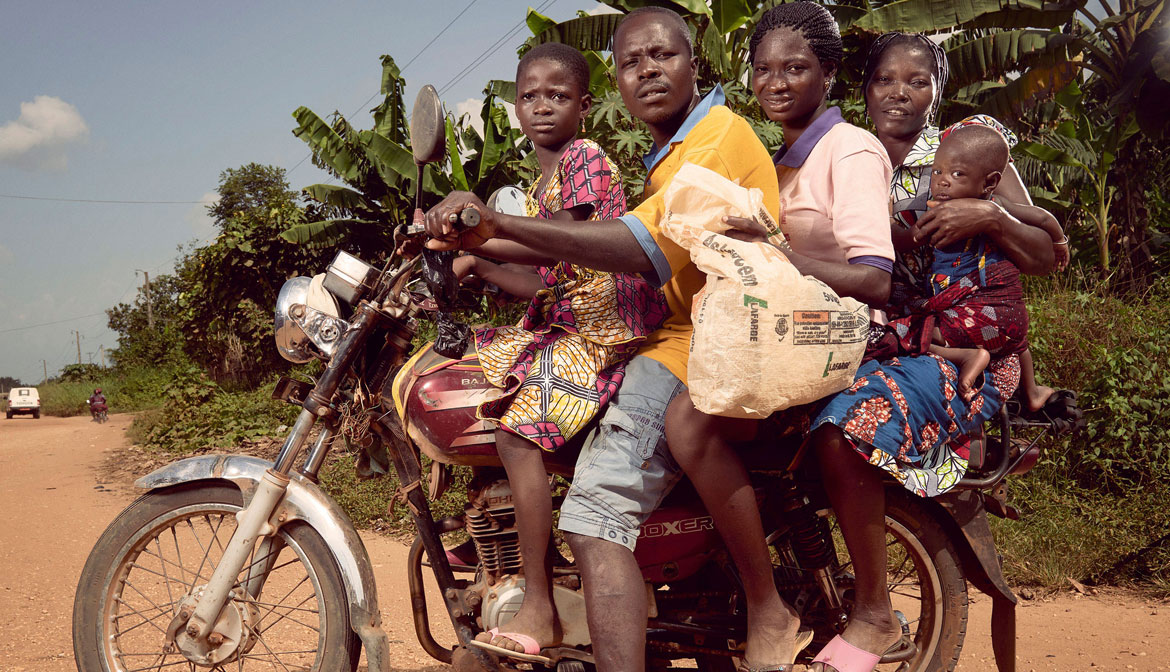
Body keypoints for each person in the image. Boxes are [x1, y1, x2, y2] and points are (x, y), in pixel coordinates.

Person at [425, 8, 783, 670]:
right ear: (617, 82)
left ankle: (543, 604)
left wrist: (490, 225)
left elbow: (633, 250)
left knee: (591, 512)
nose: (646, 70)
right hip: (677, 336)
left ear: (694, 62)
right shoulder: (668, 159)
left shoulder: (711, 143)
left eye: (662, 56)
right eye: (631, 62)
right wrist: (470, 249)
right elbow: (552, 267)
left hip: (692, 344)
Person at [802, 33, 1059, 672]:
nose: (899, 93)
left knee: (846, 429)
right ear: (864, 89)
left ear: (935, 91)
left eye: (916, 81)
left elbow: (1045, 255)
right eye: (886, 79)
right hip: (869, 339)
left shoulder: (965, 151)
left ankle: (873, 613)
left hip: (948, 346)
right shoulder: (846, 151)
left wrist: (992, 218)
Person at [663, 4, 894, 670]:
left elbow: (874, 279)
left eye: (796, 68)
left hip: (841, 335)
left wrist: (774, 255)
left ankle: (769, 605)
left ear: (827, 72)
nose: (776, 82)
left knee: (691, 421)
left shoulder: (847, 149)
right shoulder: (782, 158)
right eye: (763, 70)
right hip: (788, 334)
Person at [446, 42, 668, 659]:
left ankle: (539, 603)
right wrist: (478, 266)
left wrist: (482, 239)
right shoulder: (543, 180)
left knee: (517, 435)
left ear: (584, 106)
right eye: (530, 96)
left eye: (558, 95)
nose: (542, 106)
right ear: (516, 106)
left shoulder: (584, 158)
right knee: (470, 383)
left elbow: (561, 244)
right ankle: (486, 538)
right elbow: (549, 275)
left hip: (605, 332)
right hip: (570, 323)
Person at [867, 123, 1065, 400]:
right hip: (1011, 318)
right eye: (937, 172)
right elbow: (1042, 217)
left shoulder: (944, 212)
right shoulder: (1000, 205)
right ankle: (1032, 392)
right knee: (1017, 342)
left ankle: (967, 357)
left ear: (990, 182)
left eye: (957, 174)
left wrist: (891, 223)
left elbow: (908, 237)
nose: (943, 181)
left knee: (911, 333)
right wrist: (1060, 241)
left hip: (975, 314)